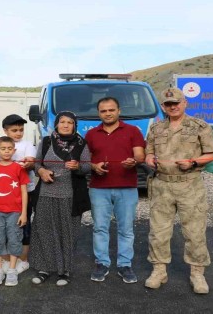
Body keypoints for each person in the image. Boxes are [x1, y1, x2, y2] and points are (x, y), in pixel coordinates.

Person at [143, 87, 213, 294]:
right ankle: (159, 270)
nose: (173, 106)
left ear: (185, 103)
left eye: (176, 103)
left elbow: (211, 154)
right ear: (163, 107)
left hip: (189, 185)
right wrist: (149, 158)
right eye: (168, 104)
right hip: (161, 185)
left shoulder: (200, 126)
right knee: (158, 232)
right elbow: (149, 151)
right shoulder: (156, 129)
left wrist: (193, 162)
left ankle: (197, 273)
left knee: (194, 232)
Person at [85, 97, 145, 284]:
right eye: (104, 111)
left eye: (111, 110)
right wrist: (94, 167)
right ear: (99, 113)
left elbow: (140, 155)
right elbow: (86, 160)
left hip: (127, 187)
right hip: (98, 188)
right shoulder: (91, 134)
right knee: (100, 228)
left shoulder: (133, 131)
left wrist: (133, 161)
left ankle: (124, 265)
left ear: (119, 111)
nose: (108, 113)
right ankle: (102, 262)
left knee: (125, 229)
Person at [30, 111, 91, 286]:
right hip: (45, 194)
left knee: (67, 232)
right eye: (62, 121)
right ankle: (44, 268)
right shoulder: (47, 141)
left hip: (69, 195)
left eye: (69, 122)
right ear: (56, 124)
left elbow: (87, 167)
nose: (65, 125)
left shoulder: (81, 144)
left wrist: (78, 166)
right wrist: (41, 171)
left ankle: (64, 271)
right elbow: (37, 163)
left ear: (74, 125)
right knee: (44, 230)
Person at [0, 114, 37, 274]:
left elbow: (30, 162)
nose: (18, 133)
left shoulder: (28, 144)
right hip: (2, 196)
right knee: (2, 229)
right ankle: (7, 259)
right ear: (5, 130)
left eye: (21, 130)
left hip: (24, 193)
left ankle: (23, 260)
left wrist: (28, 163)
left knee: (23, 226)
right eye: (14, 130)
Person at [0, 136, 30, 287]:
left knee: (14, 238)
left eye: (9, 149)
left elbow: (24, 191)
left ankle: (12, 270)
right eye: (3, 149)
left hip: (15, 211)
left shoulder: (18, 168)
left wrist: (24, 213)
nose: (6, 152)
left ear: (14, 150)